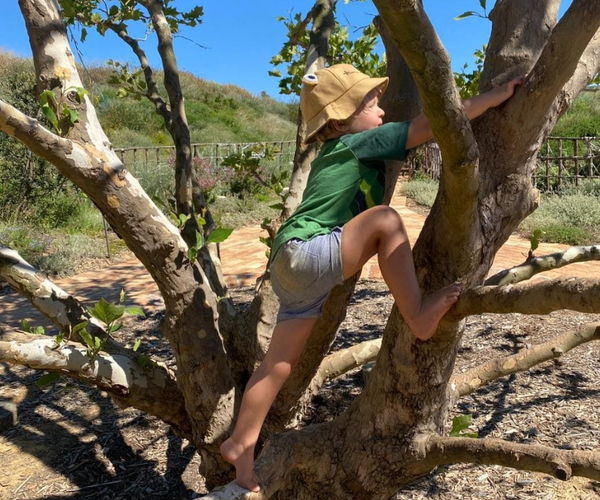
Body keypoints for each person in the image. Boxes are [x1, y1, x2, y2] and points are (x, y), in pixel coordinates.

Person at [221, 64, 523, 491]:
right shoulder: (357, 142)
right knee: (385, 219)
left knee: (277, 365)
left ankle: (241, 444)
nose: (380, 109)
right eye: (370, 102)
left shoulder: (335, 150)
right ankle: (418, 313)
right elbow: (427, 126)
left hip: (291, 266)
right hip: (307, 251)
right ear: (343, 119)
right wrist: (492, 98)